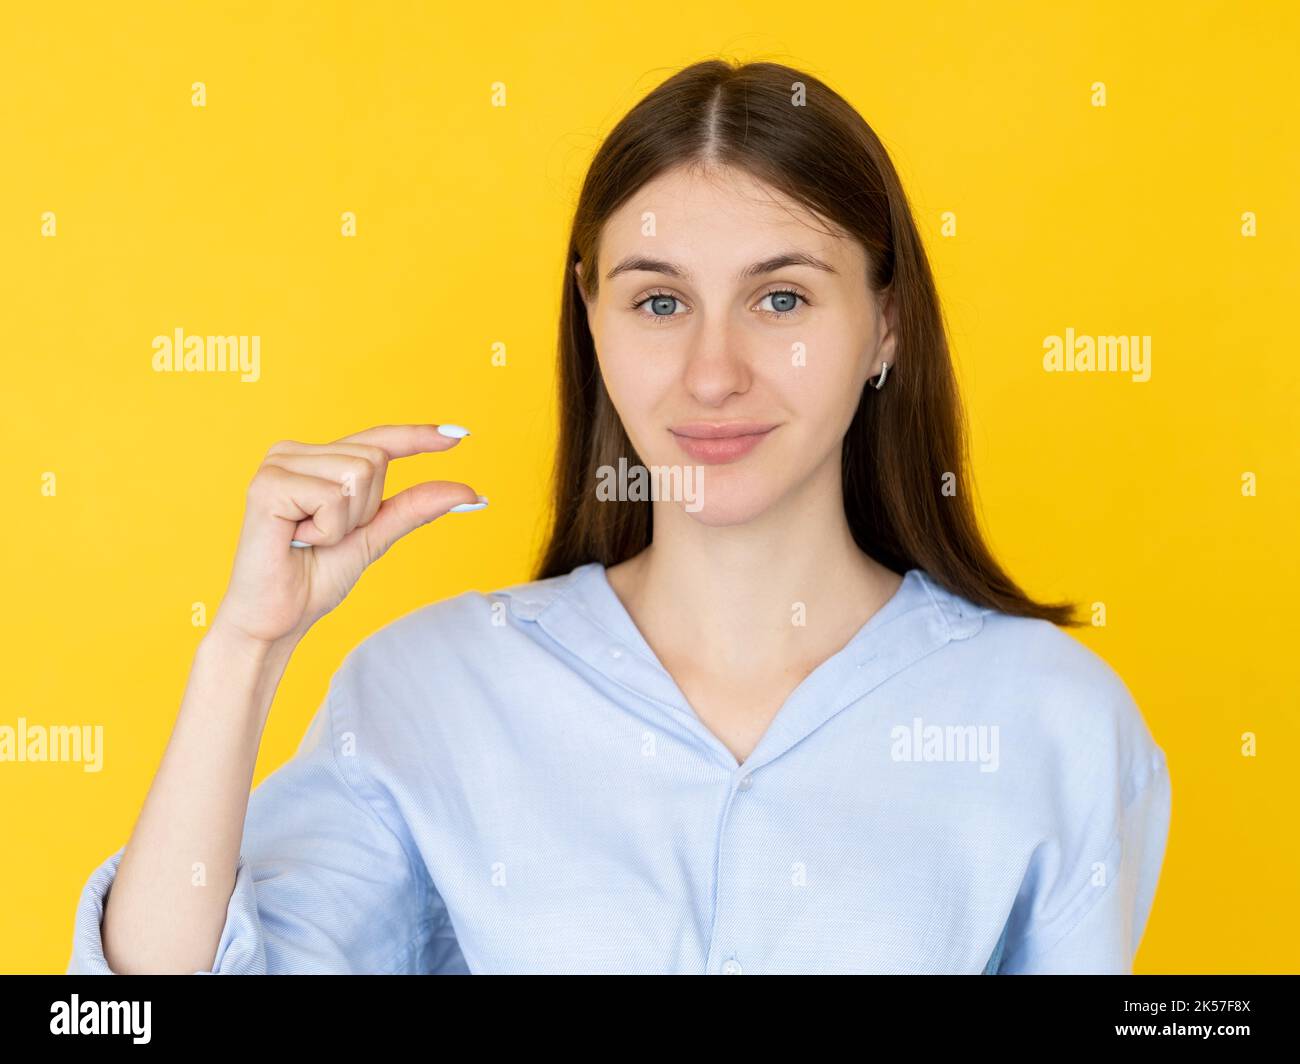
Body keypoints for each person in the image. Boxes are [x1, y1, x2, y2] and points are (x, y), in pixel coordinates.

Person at [67, 58, 1171, 975]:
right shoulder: (429, 693)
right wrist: (246, 649)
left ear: (884, 325)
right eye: (657, 300)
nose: (712, 371)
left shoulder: (1050, 717)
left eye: (780, 297)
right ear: (590, 321)